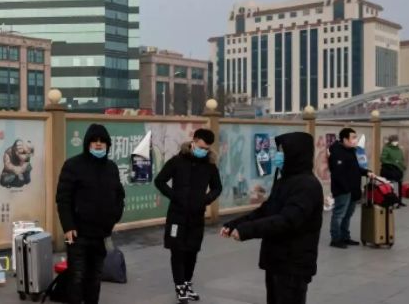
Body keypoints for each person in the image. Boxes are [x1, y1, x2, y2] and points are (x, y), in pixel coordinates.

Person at [221, 132, 323, 304]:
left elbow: (287, 220)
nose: (277, 155)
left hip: (293, 263)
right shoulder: (286, 180)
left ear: (295, 153)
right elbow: (267, 210)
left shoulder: (307, 185)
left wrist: (247, 231)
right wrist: (236, 224)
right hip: (278, 259)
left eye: (282, 151)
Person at [56, 124, 125, 304]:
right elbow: (63, 198)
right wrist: (68, 226)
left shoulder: (111, 167)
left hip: (101, 234)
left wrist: (114, 217)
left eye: (102, 141)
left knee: (95, 278)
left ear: (108, 145)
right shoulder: (72, 165)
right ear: (87, 143)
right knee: (77, 278)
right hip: (77, 234)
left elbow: (119, 195)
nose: (98, 144)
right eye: (94, 141)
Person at [154, 129, 222, 303]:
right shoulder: (177, 161)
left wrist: (206, 200)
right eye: (200, 147)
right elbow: (160, 181)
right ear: (194, 141)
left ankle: (187, 283)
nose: (203, 151)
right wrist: (174, 196)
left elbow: (217, 187)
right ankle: (179, 286)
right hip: (177, 215)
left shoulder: (210, 166)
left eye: (206, 149)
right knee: (177, 251)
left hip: (196, 216)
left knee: (192, 250)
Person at [328, 128, 377, 248]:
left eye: (356, 137)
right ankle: (336, 239)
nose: (355, 140)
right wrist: (346, 189)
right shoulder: (337, 152)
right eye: (353, 137)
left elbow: (355, 169)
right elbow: (337, 174)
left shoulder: (350, 151)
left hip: (353, 189)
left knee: (348, 215)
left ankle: (345, 237)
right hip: (343, 190)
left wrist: (366, 172)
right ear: (345, 139)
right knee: (339, 214)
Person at [380, 135, 407, 207]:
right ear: (390, 141)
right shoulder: (386, 148)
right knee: (391, 186)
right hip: (391, 170)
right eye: (394, 140)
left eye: (397, 140)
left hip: (400, 170)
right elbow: (382, 159)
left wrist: (403, 166)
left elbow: (401, 159)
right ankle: (391, 201)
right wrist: (393, 162)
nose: (396, 142)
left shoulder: (399, 149)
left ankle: (399, 201)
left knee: (400, 185)